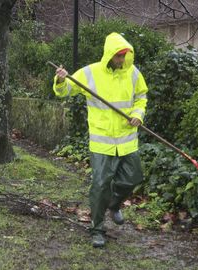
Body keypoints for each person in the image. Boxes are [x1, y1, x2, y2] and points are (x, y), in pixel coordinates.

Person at [53, 32, 148, 248]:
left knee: (132, 179)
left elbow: (141, 97)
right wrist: (60, 79)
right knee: (100, 185)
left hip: (127, 140)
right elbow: (66, 90)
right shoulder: (90, 72)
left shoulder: (133, 73)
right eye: (118, 56)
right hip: (102, 143)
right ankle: (97, 229)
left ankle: (114, 205)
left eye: (125, 55)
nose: (122, 60)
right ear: (110, 54)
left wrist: (138, 114)